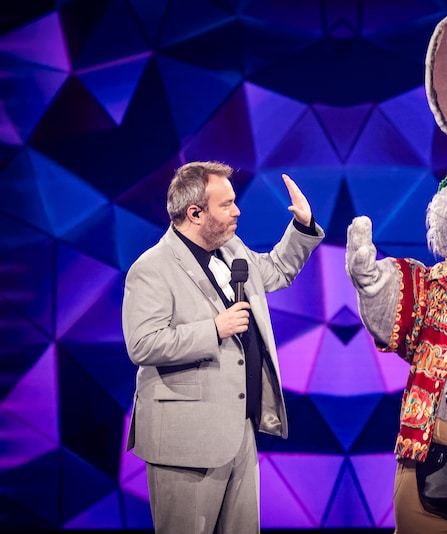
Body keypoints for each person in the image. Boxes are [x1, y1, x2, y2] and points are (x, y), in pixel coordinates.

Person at [121, 161, 324, 533]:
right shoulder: (152, 268)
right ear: (195, 213)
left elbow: (277, 270)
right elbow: (143, 344)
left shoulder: (231, 249)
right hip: (185, 442)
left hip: (238, 430)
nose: (237, 211)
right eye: (226, 204)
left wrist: (302, 225)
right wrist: (213, 329)